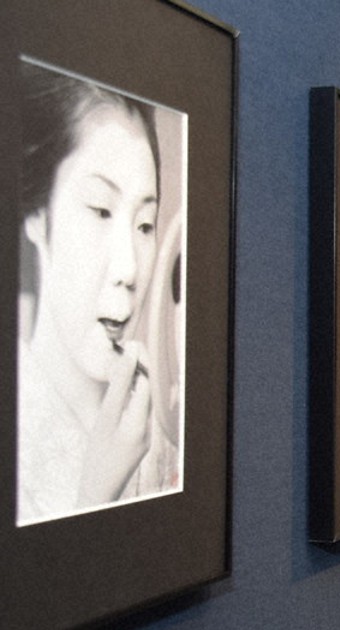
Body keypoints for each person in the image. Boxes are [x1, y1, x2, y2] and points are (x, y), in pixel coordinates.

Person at [17, 61, 178, 525]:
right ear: (37, 214)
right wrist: (96, 495)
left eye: (145, 223)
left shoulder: (160, 430)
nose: (129, 268)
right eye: (100, 210)